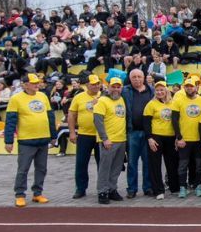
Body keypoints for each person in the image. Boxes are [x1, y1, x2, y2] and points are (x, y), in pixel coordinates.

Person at [3, 72, 56, 207]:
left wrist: (53, 136)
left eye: (37, 83)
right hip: (27, 140)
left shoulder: (43, 96)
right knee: (23, 169)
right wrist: (8, 141)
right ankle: (20, 194)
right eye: (33, 83)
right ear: (25, 85)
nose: (36, 85)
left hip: (43, 138)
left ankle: (37, 193)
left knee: (42, 168)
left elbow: (50, 117)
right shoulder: (16, 99)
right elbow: (10, 121)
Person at [92, 76, 129, 204]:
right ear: (108, 87)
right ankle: (102, 191)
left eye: (118, 87)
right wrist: (104, 138)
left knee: (117, 167)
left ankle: (112, 189)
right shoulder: (102, 101)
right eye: (113, 86)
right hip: (108, 141)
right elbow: (98, 121)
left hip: (121, 139)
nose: (116, 89)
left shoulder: (122, 100)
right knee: (105, 167)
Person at [66, 74, 102, 199]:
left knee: (102, 163)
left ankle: (102, 188)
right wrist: (72, 132)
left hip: (101, 136)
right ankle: (80, 188)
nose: (96, 86)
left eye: (98, 83)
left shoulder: (104, 96)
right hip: (84, 134)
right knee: (81, 163)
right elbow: (71, 115)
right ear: (87, 85)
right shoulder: (79, 97)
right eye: (93, 84)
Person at [171, 76, 201, 198]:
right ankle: (182, 187)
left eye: (191, 86)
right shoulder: (178, 101)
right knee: (183, 165)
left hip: (199, 140)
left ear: (196, 87)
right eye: (187, 86)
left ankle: (198, 186)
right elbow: (174, 120)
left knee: (199, 165)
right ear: (184, 88)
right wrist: (179, 137)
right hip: (184, 140)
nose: (189, 88)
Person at [142, 80, 180, 200]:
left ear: (166, 90)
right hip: (156, 137)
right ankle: (158, 190)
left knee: (172, 163)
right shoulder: (151, 104)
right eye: (157, 90)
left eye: (162, 90)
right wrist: (149, 138)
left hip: (171, 137)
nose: (159, 92)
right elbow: (146, 123)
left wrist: (177, 137)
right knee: (155, 164)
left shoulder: (173, 103)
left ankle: (175, 187)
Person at [122, 68, 154, 198]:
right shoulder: (125, 91)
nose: (137, 79)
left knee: (148, 162)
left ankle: (148, 187)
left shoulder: (151, 91)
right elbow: (110, 94)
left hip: (148, 133)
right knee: (132, 163)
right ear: (130, 78)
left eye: (139, 77)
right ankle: (132, 188)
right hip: (132, 132)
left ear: (144, 77)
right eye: (134, 77)